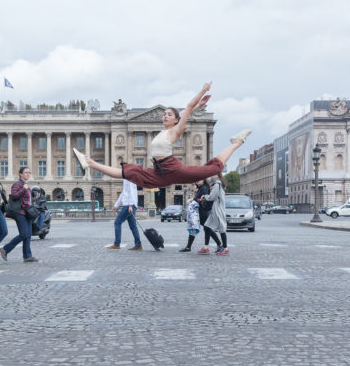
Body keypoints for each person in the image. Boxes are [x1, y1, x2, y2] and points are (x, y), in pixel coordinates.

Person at [72, 82, 251, 188]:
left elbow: (186, 109)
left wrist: (202, 91)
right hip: (159, 171)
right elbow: (185, 111)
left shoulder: (174, 132)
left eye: (169, 114)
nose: (165, 115)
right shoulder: (164, 130)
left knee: (214, 168)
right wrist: (197, 107)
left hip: (173, 169)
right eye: (164, 113)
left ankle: (237, 142)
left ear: (175, 120)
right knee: (128, 172)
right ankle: (90, 162)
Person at [0, 167, 39, 263]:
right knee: (24, 234)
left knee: (28, 235)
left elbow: (25, 200)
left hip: (27, 213)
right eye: (25, 172)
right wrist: (23, 189)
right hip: (20, 213)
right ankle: (5, 249)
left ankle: (27, 256)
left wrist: (34, 199)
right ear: (20, 174)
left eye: (29, 172)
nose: (28, 174)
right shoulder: (17, 184)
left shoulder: (25, 185)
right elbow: (14, 196)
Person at [197, 174, 228, 255]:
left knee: (222, 229)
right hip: (214, 209)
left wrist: (204, 197)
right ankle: (206, 247)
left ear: (217, 175)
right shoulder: (216, 184)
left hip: (218, 209)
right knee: (207, 226)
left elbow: (213, 197)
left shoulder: (217, 184)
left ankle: (225, 248)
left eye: (213, 174)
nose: (211, 175)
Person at [107, 179, 142, 250]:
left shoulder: (129, 177)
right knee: (133, 226)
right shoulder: (127, 177)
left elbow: (131, 191)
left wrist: (130, 205)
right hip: (130, 205)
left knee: (117, 222)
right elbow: (124, 193)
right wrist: (116, 205)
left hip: (128, 205)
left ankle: (117, 244)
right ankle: (138, 245)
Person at [180, 180, 211, 252]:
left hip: (203, 211)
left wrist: (194, 200)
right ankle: (188, 247)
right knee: (197, 227)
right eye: (197, 180)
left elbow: (203, 199)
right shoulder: (201, 187)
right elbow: (199, 198)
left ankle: (219, 244)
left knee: (206, 228)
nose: (197, 181)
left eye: (199, 179)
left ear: (204, 180)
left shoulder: (204, 188)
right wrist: (193, 200)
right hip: (199, 211)